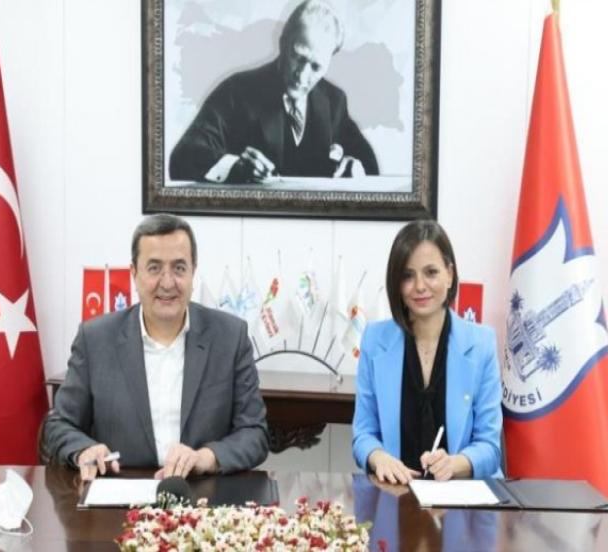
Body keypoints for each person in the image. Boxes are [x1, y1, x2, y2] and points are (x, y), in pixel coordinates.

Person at [43, 214, 269, 480]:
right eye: (154, 268)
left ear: (193, 272)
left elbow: (255, 433)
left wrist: (207, 457)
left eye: (179, 268)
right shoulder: (95, 340)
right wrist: (84, 450)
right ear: (134, 274)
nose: (167, 282)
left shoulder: (230, 337)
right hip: (121, 492)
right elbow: (58, 425)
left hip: (202, 492)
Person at [352, 220, 503, 483]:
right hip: (397, 491)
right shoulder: (374, 340)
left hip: (462, 495)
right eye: (407, 276)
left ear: (449, 274)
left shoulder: (481, 343)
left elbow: (490, 448)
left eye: (431, 272)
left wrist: (456, 463)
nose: (420, 286)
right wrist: (378, 457)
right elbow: (363, 435)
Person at [169, 0, 378, 183]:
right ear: (282, 43)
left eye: (316, 67)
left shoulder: (334, 100)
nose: (302, 76)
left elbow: (369, 164)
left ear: (329, 62)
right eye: (298, 57)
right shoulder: (236, 92)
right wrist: (234, 167)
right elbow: (183, 156)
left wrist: (355, 166)